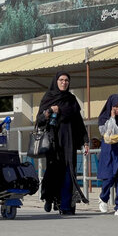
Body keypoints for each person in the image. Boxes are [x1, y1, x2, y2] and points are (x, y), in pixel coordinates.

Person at [36, 71, 89, 215]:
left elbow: (78, 122)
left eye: (66, 80)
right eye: (61, 80)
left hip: (69, 142)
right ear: (56, 81)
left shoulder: (71, 99)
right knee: (53, 172)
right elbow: (39, 120)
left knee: (69, 173)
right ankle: (49, 197)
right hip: (54, 142)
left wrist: (85, 140)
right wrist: (49, 111)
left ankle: (66, 206)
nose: (64, 82)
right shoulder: (48, 97)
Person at [97, 94, 118, 216]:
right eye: (115, 106)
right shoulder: (103, 118)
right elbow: (104, 132)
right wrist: (111, 118)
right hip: (109, 151)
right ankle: (103, 198)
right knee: (109, 177)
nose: (117, 109)